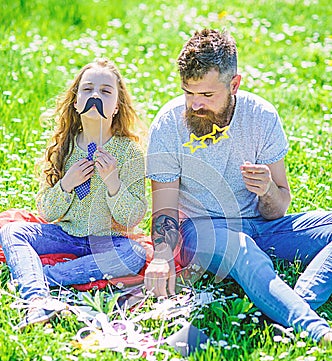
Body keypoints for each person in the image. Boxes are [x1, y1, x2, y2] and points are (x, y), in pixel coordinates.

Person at [145, 29, 332, 344]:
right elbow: (164, 207)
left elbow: (279, 207)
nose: (194, 105)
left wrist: (267, 190)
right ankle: (313, 329)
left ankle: (283, 310)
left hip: (261, 226)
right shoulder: (168, 125)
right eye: (188, 93)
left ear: (235, 85)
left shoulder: (261, 117)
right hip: (203, 231)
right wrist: (162, 257)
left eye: (206, 96)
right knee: (243, 250)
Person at [0, 58, 147, 329]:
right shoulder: (65, 146)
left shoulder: (129, 152)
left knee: (135, 254)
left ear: (117, 106)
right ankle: (38, 300)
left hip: (108, 240)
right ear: (76, 101)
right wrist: (66, 184)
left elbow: (133, 218)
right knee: (12, 232)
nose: (95, 96)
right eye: (87, 89)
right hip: (66, 234)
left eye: (105, 91)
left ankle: (42, 278)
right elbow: (47, 211)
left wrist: (113, 182)